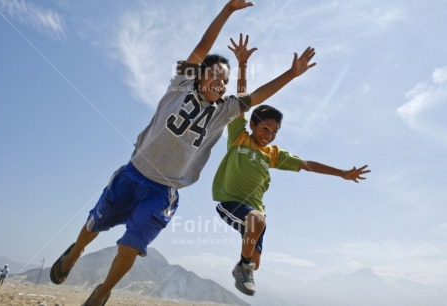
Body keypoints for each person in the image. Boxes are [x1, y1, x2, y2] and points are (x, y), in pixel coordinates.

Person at [49, 1, 316, 305]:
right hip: (133, 174)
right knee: (95, 223)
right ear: (199, 74)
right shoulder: (180, 85)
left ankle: (103, 290)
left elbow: (257, 96)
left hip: (163, 191)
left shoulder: (224, 112)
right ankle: (75, 252)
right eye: (215, 75)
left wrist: (291, 74)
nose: (220, 82)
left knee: (133, 243)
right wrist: (227, 10)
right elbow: (203, 46)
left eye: (225, 80)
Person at [212, 40, 370, 296]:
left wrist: (342, 173)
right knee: (256, 222)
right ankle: (243, 266)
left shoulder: (274, 154)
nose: (269, 135)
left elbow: (307, 164)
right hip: (230, 202)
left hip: (255, 213)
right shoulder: (238, 136)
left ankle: (244, 266)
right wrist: (242, 64)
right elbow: (242, 99)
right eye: (265, 129)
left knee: (257, 258)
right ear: (253, 125)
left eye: (275, 132)